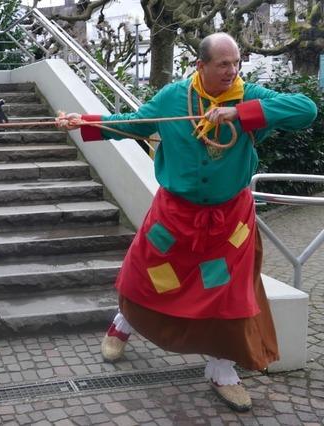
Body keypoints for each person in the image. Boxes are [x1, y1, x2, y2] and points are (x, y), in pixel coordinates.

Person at [58, 33, 317, 412]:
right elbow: (135, 123)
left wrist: (239, 113)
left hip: (230, 221)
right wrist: (85, 122)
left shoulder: (249, 95)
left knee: (229, 293)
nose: (232, 71)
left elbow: (306, 109)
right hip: (175, 214)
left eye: (236, 63)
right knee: (148, 272)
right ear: (201, 65)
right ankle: (123, 322)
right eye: (223, 64)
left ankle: (221, 367)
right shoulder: (174, 97)